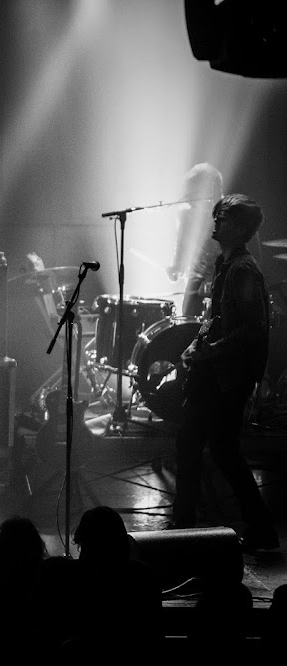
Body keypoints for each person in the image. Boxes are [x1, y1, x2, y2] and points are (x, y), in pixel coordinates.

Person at [174, 194, 278, 551]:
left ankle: (186, 526)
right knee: (211, 447)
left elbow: (254, 328)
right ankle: (256, 529)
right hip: (218, 373)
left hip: (227, 377)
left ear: (238, 227)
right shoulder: (226, 264)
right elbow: (219, 320)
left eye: (223, 218)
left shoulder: (243, 269)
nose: (215, 222)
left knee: (207, 447)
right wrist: (197, 345)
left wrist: (211, 351)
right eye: (216, 216)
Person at [167, 163, 225, 317]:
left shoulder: (231, 215)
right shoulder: (186, 216)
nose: (190, 201)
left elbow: (252, 257)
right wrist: (175, 270)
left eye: (195, 194)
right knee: (188, 324)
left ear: (213, 190)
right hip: (194, 287)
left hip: (226, 287)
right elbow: (180, 254)